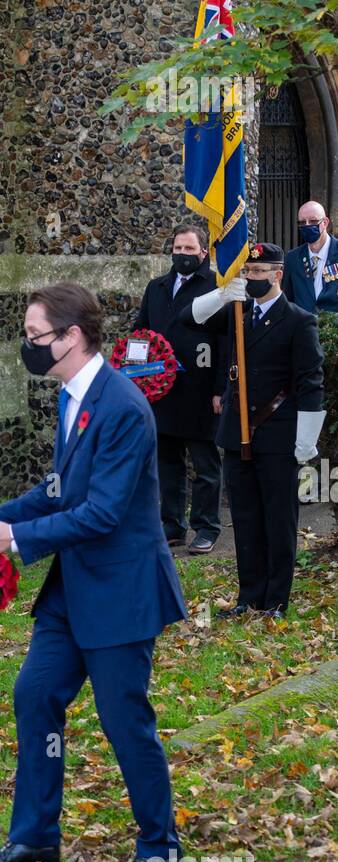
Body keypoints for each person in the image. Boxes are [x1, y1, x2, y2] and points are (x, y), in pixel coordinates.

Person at [0, 283, 187, 862]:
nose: (29, 348)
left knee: (124, 720)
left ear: (71, 337)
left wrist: (16, 541)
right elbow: (58, 492)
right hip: (71, 591)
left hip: (121, 593)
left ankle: (160, 848)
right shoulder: (71, 398)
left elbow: (102, 514)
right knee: (35, 696)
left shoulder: (124, 409)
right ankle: (35, 837)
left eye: (35, 338)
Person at [185, 243, 325, 621]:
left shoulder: (298, 320)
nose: (251, 279)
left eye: (258, 273)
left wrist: (306, 441)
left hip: (278, 435)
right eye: (247, 273)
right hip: (237, 433)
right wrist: (220, 293)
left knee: (279, 520)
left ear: (278, 274)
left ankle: (276, 601)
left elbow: (310, 382)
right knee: (245, 518)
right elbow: (190, 318)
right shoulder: (237, 312)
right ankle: (250, 596)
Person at [134, 222, 225, 554]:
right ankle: (172, 526)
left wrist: (221, 389)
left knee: (205, 466)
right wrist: (137, 374)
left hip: (201, 391)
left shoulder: (218, 286)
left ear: (204, 252)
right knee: (167, 464)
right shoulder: (156, 287)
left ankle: (206, 527)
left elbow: (226, 339)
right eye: (178, 248)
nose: (183, 255)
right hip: (161, 392)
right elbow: (140, 333)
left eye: (190, 249)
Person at [282, 201, 338, 315]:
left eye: (312, 221)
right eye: (302, 222)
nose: (307, 225)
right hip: (303, 329)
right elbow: (287, 299)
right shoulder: (292, 258)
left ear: (325, 222)